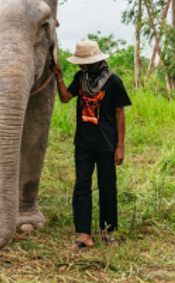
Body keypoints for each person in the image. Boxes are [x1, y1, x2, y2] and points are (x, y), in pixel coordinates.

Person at [54, 40, 132, 249]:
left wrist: (120, 146)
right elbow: (65, 98)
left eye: (84, 62)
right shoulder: (81, 79)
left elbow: (119, 113)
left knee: (107, 188)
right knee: (82, 186)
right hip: (84, 144)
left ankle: (107, 232)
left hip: (106, 144)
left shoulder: (113, 81)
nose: (81, 65)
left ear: (94, 61)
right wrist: (59, 77)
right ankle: (84, 234)